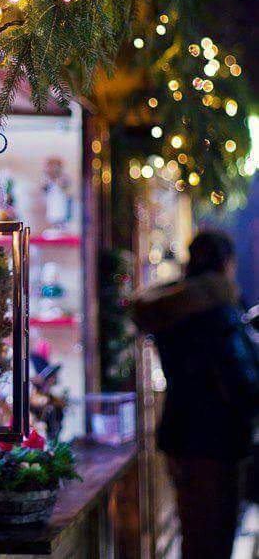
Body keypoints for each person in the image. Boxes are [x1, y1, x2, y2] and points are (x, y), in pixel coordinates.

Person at [134, 230, 258, 559]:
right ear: (226, 263)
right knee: (213, 539)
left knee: (195, 533)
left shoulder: (175, 308)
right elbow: (239, 381)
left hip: (182, 437)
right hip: (215, 443)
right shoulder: (216, 310)